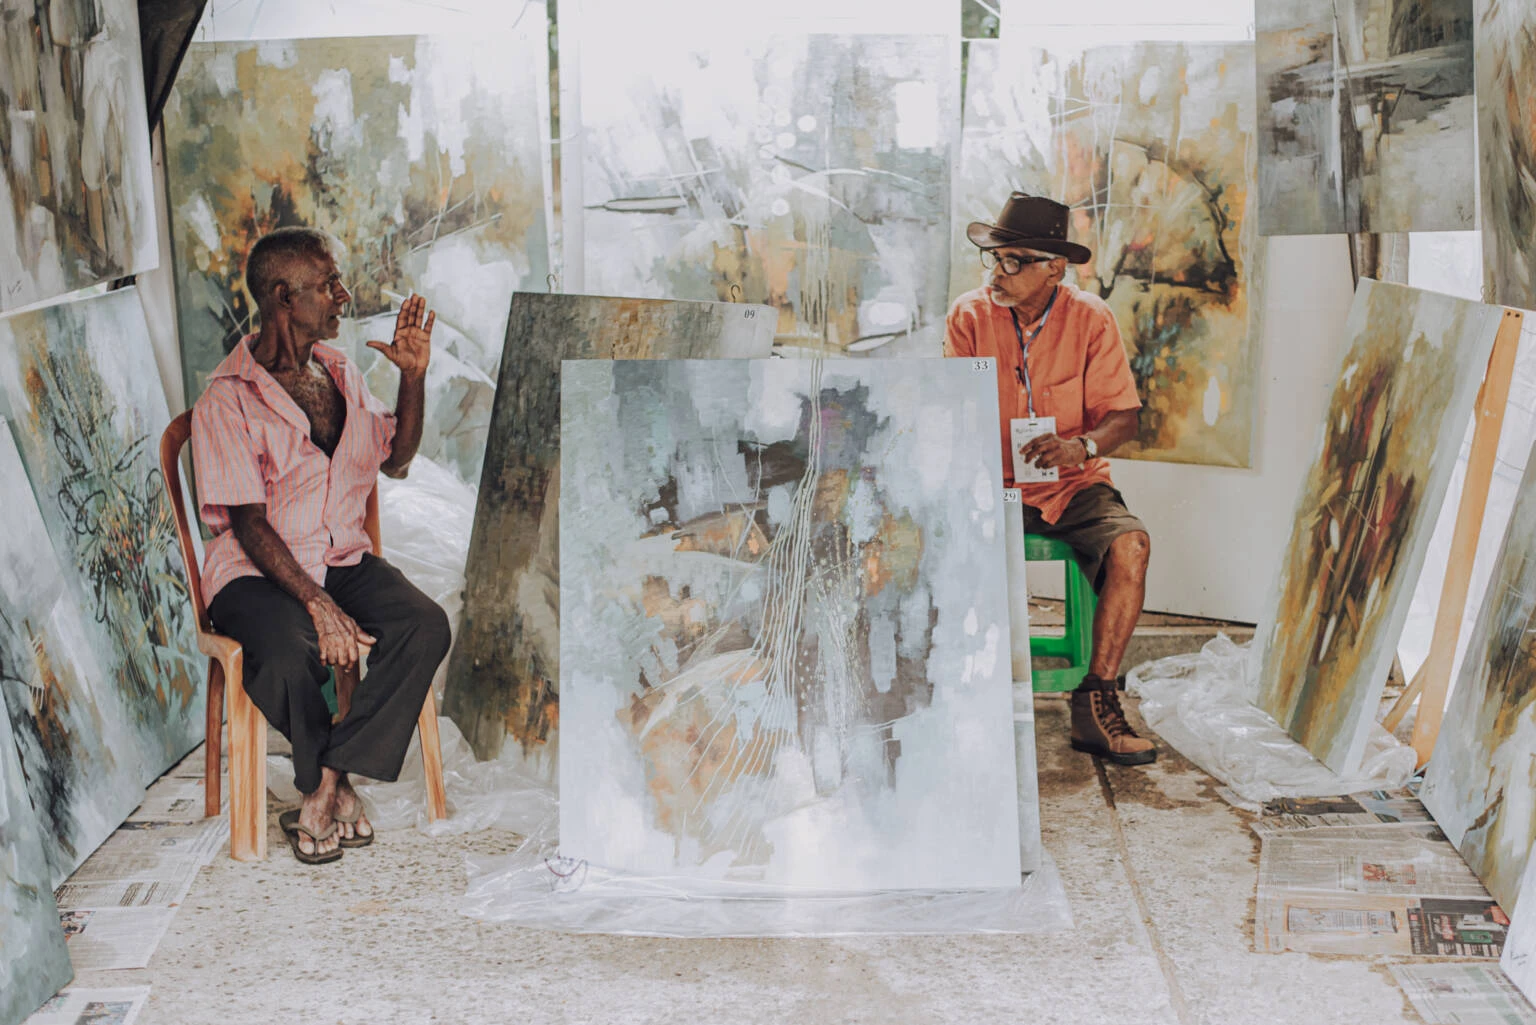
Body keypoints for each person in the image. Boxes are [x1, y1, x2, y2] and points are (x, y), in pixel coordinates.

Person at [191, 226, 452, 862]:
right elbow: (249, 523)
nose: (343, 294)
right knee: (286, 651)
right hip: (256, 573)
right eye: (327, 284)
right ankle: (325, 785)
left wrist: (413, 379)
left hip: (340, 557)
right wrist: (317, 603)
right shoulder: (226, 402)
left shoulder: (339, 371)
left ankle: (327, 782)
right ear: (283, 297)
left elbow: (395, 461)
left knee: (427, 625)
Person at [944, 193, 1157, 766]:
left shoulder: (1090, 318)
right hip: (990, 482)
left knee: (1131, 546)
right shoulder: (969, 315)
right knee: (934, 551)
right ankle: (958, 698)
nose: (998, 272)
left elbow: (1123, 416)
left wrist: (1077, 447)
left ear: (1054, 269)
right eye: (995, 259)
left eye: (1014, 261)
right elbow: (950, 408)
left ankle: (1096, 701)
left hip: (1071, 483)